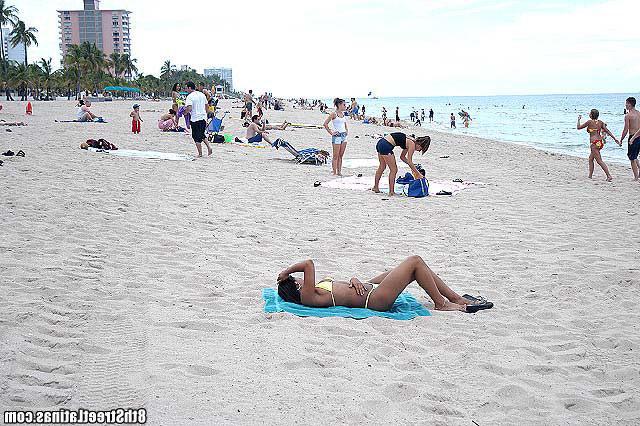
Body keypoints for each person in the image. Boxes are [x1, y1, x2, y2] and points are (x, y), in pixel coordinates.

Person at [276, 256, 493, 313]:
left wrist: (354, 279)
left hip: (369, 289)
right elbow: (308, 263)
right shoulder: (307, 297)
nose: (302, 279)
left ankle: (454, 298)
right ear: (296, 286)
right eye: (298, 280)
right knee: (414, 262)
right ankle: (441, 303)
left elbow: (343, 288)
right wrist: (287, 272)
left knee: (418, 267)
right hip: (375, 300)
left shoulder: (315, 291)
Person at [577, 109, 618, 181]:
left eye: (590, 113)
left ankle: (609, 175)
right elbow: (607, 131)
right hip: (600, 142)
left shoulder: (589, 122)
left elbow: (578, 127)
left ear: (592, 115)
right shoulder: (601, 122)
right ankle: (590, 176)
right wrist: (615, 138)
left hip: (594, 143)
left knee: (599, 161)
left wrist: (578, 120)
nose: (589, 114)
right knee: (590, 159)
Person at [184, 81, 212, 157]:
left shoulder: (190, 97)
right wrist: (205, 114)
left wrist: (185, 112)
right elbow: (207, 106)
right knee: (201, 134)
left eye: (186, 88)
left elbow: (189, 108)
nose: (186, 90)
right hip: (203, 118)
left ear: (190, 88)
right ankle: (209, 148)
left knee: (196, 136)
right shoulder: (202, 94)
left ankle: (200, 154)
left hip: (195, 119)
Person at [323, 98, 349, 176]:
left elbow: (344, 124)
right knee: (335, 156)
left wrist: (347, 131)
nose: (345, 106)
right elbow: (325, 124)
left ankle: (339, 172)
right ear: (339, 105)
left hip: (344, 136)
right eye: (344, 105)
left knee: (341, 156)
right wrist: (331, 133)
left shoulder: (343, 114)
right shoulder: (333, 114)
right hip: (337, 137)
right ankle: (334, 172)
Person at [620, 97, 640, 181]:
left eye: (626, 103)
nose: (625, 105)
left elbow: (626, 129)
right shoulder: (639, 113)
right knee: (635, 156)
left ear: (630, 104)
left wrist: (621, 139)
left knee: (632, 158)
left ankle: (636, 177)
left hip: (633, 137)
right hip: (639, 135)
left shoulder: (628, 115)